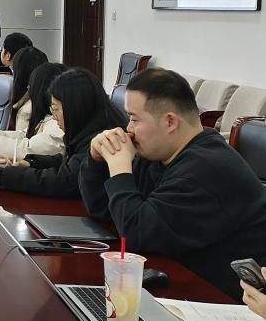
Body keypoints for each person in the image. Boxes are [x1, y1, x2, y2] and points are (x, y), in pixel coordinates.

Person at [80, 68, 266, 299]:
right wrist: (96, 161)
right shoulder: (159, 155)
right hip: (180, 281)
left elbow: (137, 235)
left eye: (135, 119)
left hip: (223, 302)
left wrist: (120, 170)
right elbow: (102, 209)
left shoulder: (206, 169)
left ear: (170, 122)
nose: (128, 129)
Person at [0, 68, 125, 198]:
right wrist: (31, 163)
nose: (54, 117)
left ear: (74, 108)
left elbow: (64, 181)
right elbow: (68, 162)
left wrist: (4, 176)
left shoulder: (102, 138)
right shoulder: (90, 128)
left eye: (56, 109)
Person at [0, 57, 65, 160]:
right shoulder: (47, 117)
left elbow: (28, 149)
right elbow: (24, 135)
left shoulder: (58, 123)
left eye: (31, 87)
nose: (29, 91)